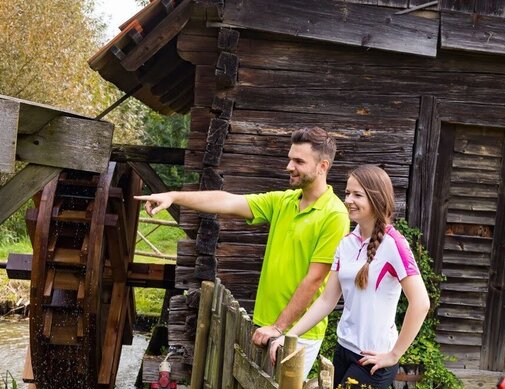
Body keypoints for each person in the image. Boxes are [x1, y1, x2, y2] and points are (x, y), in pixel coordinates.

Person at [135, 126, 350, 373]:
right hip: (265, 326)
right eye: (290, 158)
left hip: (297, 334)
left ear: (322, 166)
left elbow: (315, 279)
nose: (289, 166)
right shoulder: (284, 201)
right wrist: (174, 196)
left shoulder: (335, 215)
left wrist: (279, 328)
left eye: (299, 161)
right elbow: (227, 201)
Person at [268, 165, 430, 389]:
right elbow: (326, 300)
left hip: (372, 359)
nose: (348, 200)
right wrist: (290, 336)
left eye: (357, 195)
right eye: (347, 193)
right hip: (343, 351)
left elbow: (421, 303)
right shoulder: (346, 243)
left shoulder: (395, 244)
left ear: (376, 198)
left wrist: (394, 354)